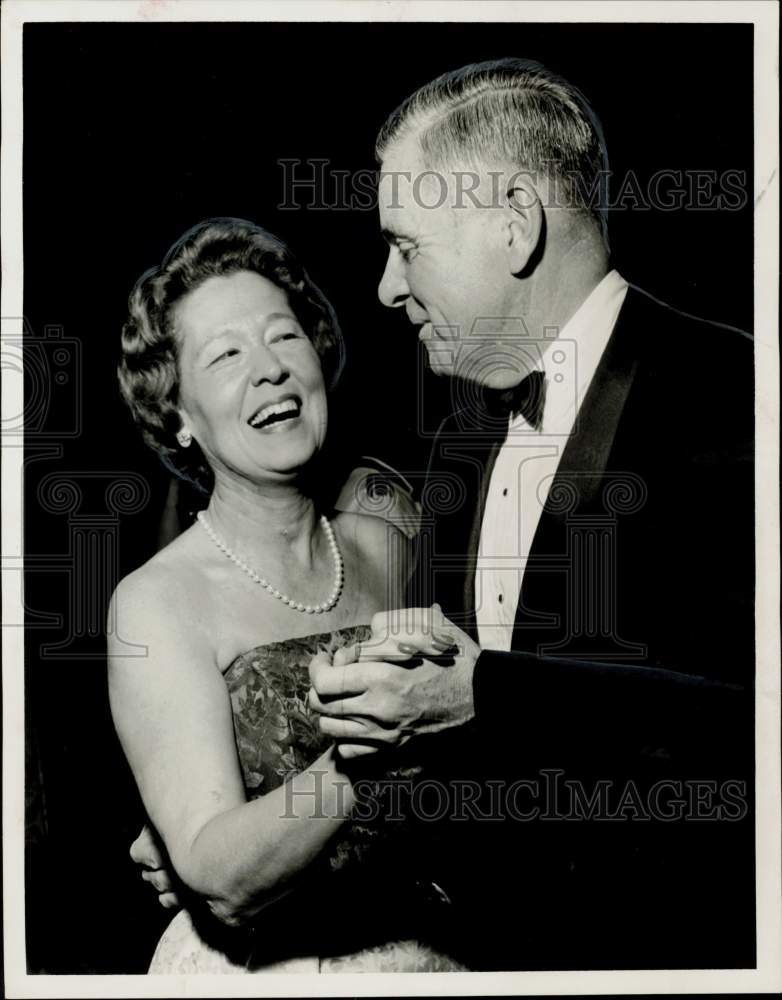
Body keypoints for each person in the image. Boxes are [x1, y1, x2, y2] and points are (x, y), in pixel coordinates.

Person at [307, 58, 755, 968]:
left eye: (406, 245)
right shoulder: (463, 432)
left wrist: (484, 696)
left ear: (514, 227)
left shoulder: (739, 394)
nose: (387, 287)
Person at [108, 217, 465, 973]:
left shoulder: (384, 541)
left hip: (429, 956)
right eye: (226, 355)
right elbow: (218, 875)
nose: (268, 368)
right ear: (177, 415)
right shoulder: (157, 602)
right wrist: (359, 759)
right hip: (262, 971)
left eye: (283, 336)